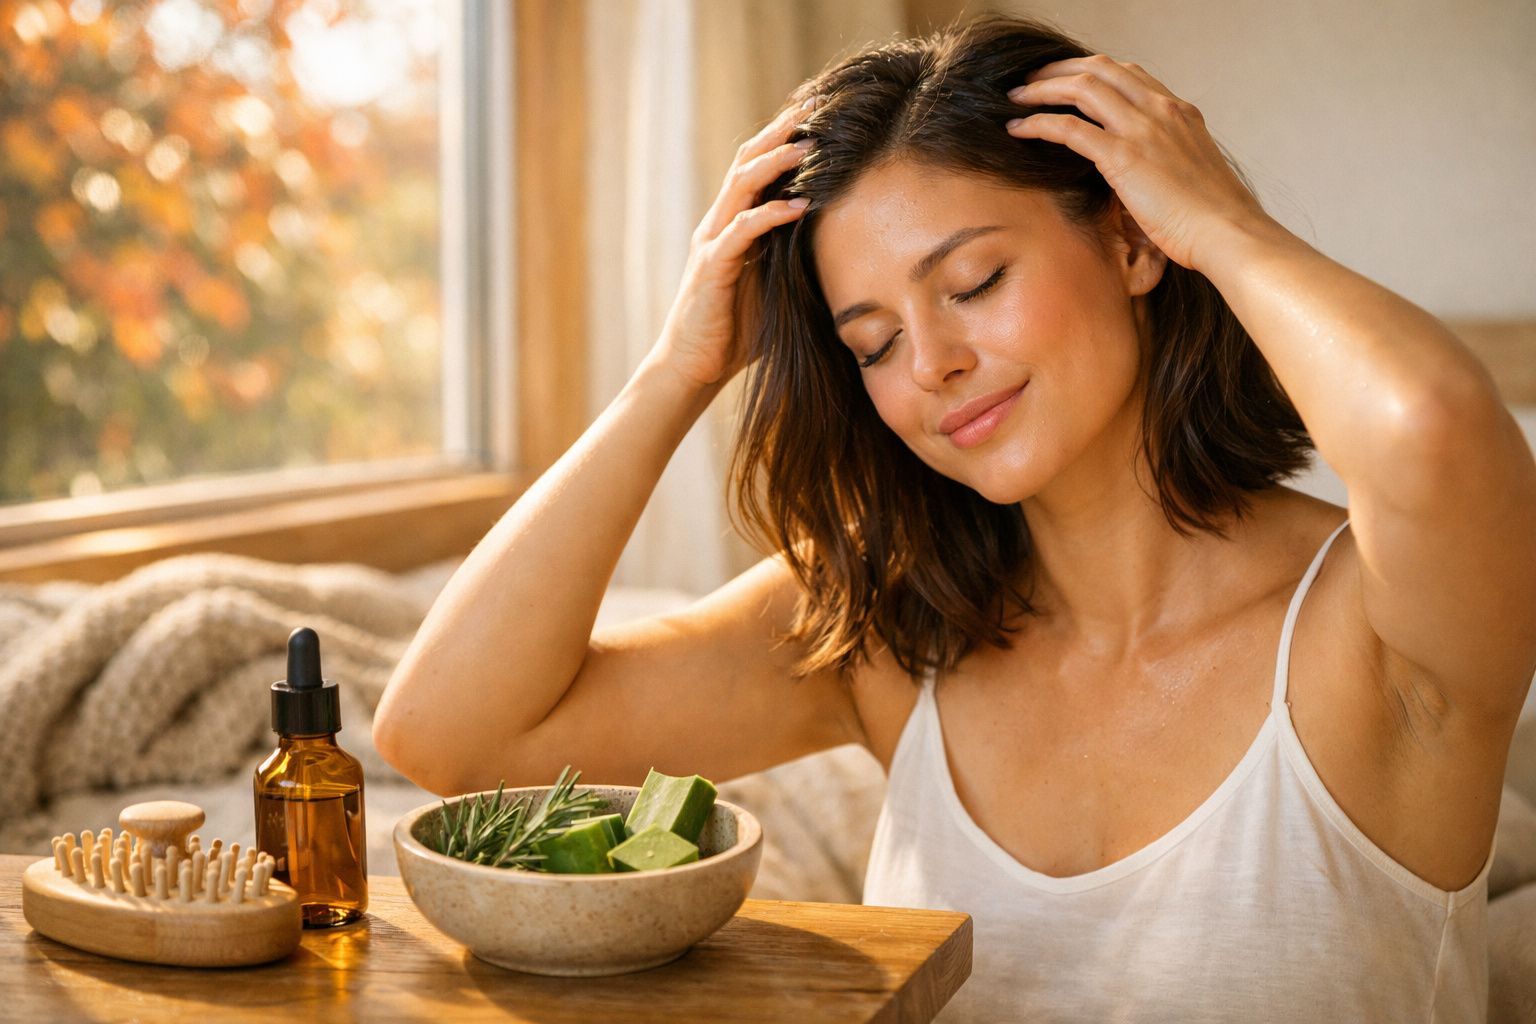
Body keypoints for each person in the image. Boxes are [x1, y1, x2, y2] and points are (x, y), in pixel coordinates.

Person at [373, 14, 1536, 1021]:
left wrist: (1226, 228)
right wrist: (675, 370)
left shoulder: (1381, 629)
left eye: (975, 282)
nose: (931, 361)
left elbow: (1431, 424)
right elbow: (448, 733)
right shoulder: (895, 624)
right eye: (870, 340)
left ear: (1135, 239)